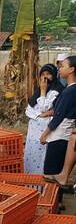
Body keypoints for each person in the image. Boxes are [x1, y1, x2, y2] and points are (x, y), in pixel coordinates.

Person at [40, 56, 76, 187]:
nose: (59, 69)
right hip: (62, 133)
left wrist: (45, 133)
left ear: (72, 69)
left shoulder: (70, 91)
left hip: (60, 134)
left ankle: (55, 201)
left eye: (62, 66)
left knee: (51, 171)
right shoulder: (68, 88)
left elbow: (59, 115)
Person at [24, 64, 64, 173]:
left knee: (41, 159)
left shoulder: (57, 90)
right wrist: (40, 115)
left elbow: (43, 106)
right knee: (30, 156)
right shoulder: (38, 91)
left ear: (54, 75)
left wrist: (43, 91)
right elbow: (28, 110)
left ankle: (41, 186)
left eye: (48, 74)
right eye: (43, 75)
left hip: (45, 130)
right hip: (33, 130)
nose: (45, 77)